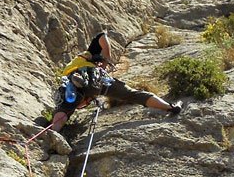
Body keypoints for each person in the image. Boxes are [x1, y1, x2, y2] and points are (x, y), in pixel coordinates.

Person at [50, 30, 182, 132]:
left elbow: (101, 36)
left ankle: (54, 132)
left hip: (72, 81)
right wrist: (106, 59)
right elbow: (102, 36)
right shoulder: (90, 55)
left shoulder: (75, 62)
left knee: (66, 107)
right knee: (133, 94)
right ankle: (170, 107)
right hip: (97, 79)